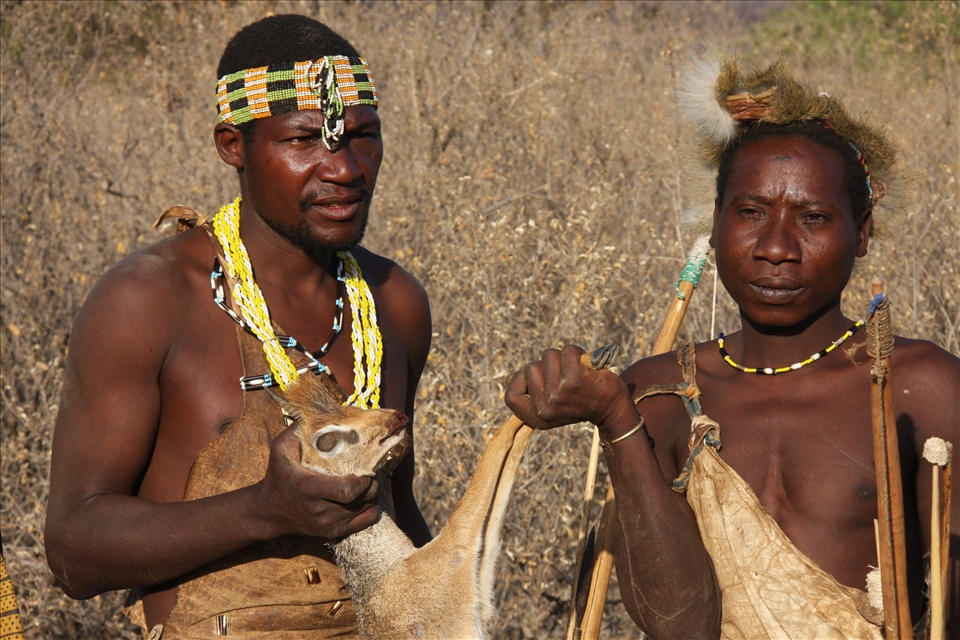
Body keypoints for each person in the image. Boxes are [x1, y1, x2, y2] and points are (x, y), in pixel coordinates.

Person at [506, 53, 959, 639]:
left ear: (863, 230)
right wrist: (616, 420)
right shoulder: (660, 391)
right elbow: (681, 626)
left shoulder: (919, 386)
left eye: (814, 218)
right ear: (715, 223)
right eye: (750, 213)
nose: (776, 247)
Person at [44, 14, 432, 639]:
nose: (345, 168)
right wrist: (263, 510)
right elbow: (71, 550)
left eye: (362, 136)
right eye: (304, 140)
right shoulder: (149, 301)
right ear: (233, 147)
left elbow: (398, 513)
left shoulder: (393, 302)